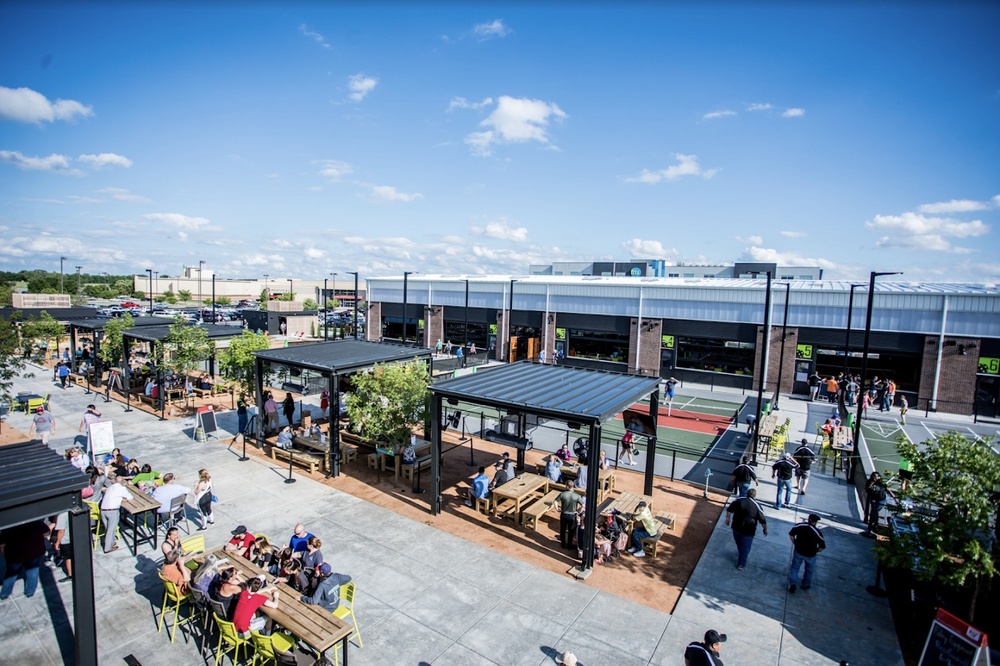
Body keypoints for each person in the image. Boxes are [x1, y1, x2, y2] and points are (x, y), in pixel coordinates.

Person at [0, 520, 50, 599]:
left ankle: (4, 594)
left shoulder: (9, 524)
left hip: (15, 556)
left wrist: (4, 555)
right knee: (33, 571)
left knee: (11, 574)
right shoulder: (35, 521)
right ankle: (30, 592)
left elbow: (2, 544)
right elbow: (46, 532)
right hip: (35, 552)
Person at [725, 488, 768, 570]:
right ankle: (741, 563)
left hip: (736, 527)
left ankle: (741, 554)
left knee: (739, 543)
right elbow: (762, 520)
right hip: (749, 530)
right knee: (745, 546)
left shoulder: (739, 500)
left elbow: (729, 509)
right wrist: (765, 529)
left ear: (747, 494)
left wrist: (727, 519)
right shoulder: (757, 506)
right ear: (755, 496)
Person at [788, 514, 826, 593]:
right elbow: (822, 547)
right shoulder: (817, 532)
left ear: (808, 519)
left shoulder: (800, 526)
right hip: (810, 555)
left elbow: (791, 534)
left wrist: (795, 543)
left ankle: (793, 583)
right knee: (809, 570)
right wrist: (815, 551)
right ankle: (806, 584)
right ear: (816, 522)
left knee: (795, 567)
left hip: (799, 551)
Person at [100, 474, 133, 553]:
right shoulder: (122, 488)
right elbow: (130, 497)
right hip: (112, 510)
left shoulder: (110, 487)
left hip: (103, 509)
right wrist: (122, 498)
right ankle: (107, 548)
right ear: (122, 482)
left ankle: (110, 542)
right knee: (111, 529)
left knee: (108, 528)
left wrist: (120, 498)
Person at [555, 485, 584, 549]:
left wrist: (557, 509)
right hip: (572, 515)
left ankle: (563, 544)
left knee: (563, 529)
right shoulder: (577, 496)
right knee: (571, 531)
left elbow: (555, 501)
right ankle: (569, 545)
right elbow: (583, 505)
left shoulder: (562, 494)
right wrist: (578, 511)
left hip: (564, 514)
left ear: (567, 486)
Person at [51, 512, 73, 582]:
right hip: (75, 537)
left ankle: (70, 575)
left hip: (66, 540)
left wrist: (57, 542)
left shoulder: (61, 515)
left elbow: (61, 531)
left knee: (68, 558)